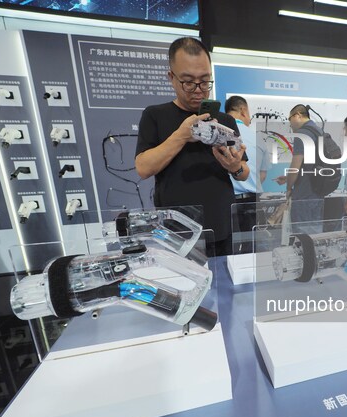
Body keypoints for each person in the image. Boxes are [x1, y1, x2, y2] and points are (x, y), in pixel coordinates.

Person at [135, 37, 249, 256]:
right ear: (171, 78)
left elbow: (243, 173)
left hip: (222, 224)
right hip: (178, 233)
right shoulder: (155, 116)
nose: (199, 90)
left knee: (225, 285)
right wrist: (180, 135)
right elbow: (143, 168)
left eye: (205, 81)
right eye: (188, 81)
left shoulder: (225, 121)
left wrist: (235, 167)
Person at [225, 95, 270, 252]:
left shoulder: (219, 135)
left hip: (227, 201)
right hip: (253, 202)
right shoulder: (260, 138)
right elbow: (262, 175)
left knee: (229, 245)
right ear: (243, 110)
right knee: (252, 247)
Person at [275, 104, 324, 230]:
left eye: (289, 119)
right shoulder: (319, 131)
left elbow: (296, 165)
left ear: (297, 115)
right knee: (316, 233)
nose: (290, 125)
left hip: (303, 195)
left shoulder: (302, 134)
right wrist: (288, 177)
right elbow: (310, 166)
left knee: (303, 236)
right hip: (317, 193)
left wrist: (289, 187)